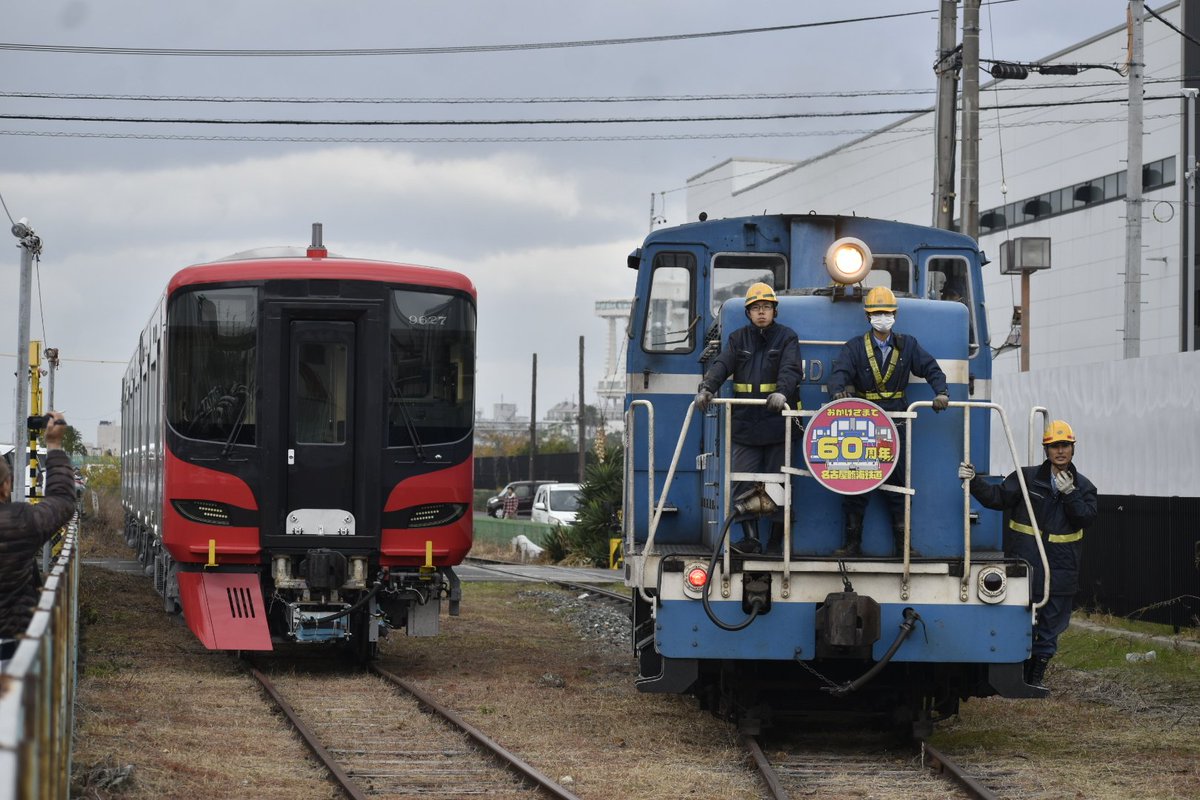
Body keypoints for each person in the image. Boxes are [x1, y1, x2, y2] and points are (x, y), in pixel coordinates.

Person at [959, 419, 1097, 690]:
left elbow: (1085, 518)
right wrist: (973, 481)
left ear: (1073, 449)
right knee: (1023, 621)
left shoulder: (1084, 487)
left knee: (1051, 626)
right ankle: (1019, 674)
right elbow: (996, 498)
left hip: (1061, 569)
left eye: (1065, 446)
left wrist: (1070, 494)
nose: (1060, 451)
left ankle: (1036, 677)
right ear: (1046, 449)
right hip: (1026, 565)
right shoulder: (1026, 478)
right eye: (1055, 446)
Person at [827, 286, 950, 558]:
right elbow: (838, 373)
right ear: (868, 317)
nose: (883, 316)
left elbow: (931, 368)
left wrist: (941, 392)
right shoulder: (855, 347)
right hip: (864, 420)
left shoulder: (908, 345)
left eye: (887, 312)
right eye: (877, 313)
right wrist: (838, 392)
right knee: (856, 482)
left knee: (897, 482)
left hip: (896, 418)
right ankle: (852, 545)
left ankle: (902, 546)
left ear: (895, 314)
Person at [694, 282, 802, 554]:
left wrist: (782, 393)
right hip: (745, 425)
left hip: (778, 425)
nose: (761, 312)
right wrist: (707, 388)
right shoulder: (738, 339)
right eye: (756, 308)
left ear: (774, 311)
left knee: (780, 482)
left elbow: (791, 369)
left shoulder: (787, 337)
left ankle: (777, 542)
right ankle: (751, 539)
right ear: (748, 313)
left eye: (766, 307)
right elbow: (723, 364)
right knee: (741, 480)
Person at [0, 411, 78, 670]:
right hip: (11, 651)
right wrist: (54, 446)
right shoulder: (18, 522)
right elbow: (62, 501)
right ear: (5, 486)